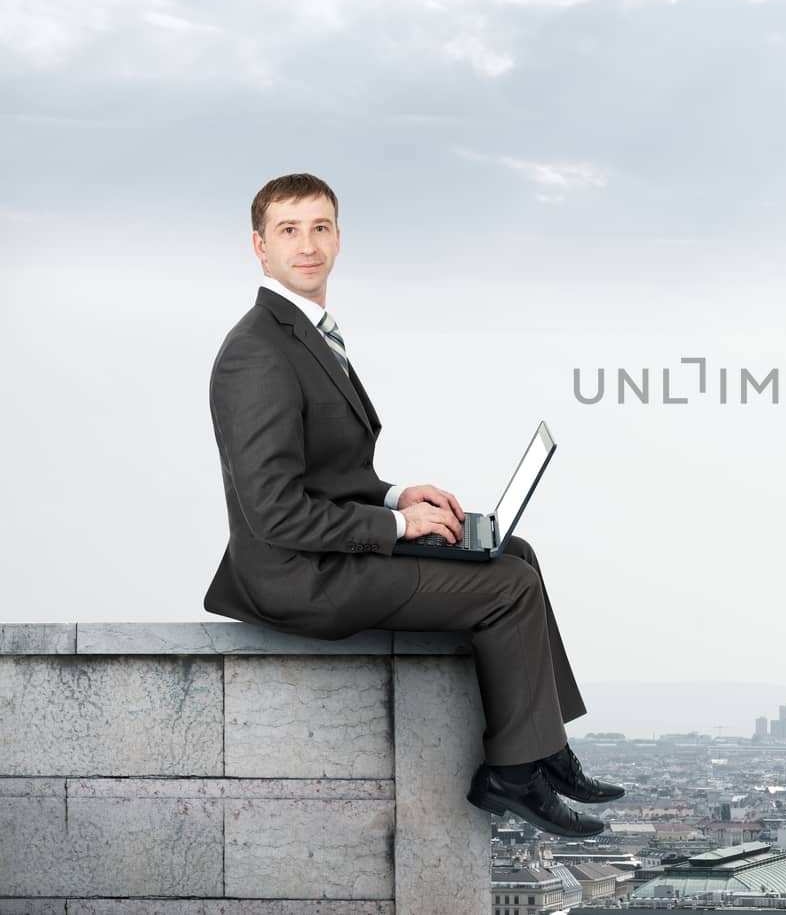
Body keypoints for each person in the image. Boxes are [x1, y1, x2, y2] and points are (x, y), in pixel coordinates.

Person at [202, 172, 623, 837]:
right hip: (298, 577)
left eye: (320, 227)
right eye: (289, 230)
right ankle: (510, 776)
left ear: (339, 238)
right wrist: (399, 524)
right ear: (259, 246)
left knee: (515, 552)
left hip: (325, 551)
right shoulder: (257, 352)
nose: (308, 244)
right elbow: (275, 512)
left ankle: (544, 749)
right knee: (507, 586)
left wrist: (400, 493)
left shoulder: (303, 335)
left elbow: (324, 473)